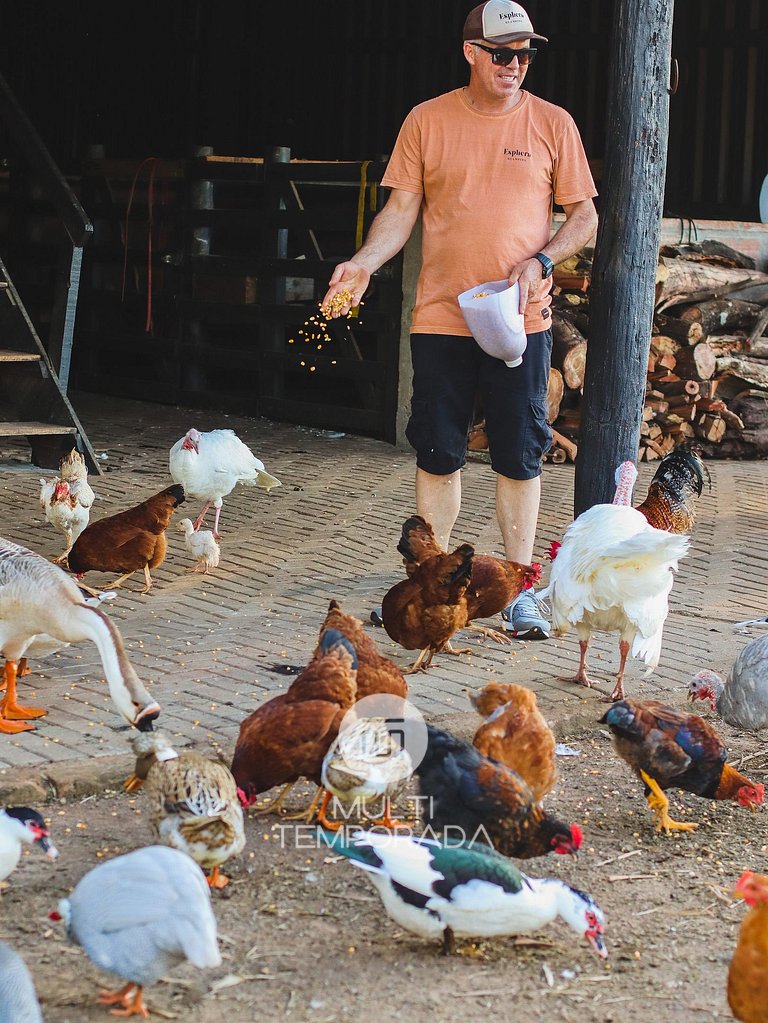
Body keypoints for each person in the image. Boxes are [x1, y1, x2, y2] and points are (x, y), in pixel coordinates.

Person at [321, 0, 598, 639]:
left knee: (519, 451)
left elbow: (584, 217)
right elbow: (400, 209)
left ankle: (523, 588)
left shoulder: (553, 124)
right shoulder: (426, 121)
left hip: (518, 318)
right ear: (471, 52)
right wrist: (364, 263)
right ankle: (432, 584)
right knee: (439, 448)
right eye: (503, 53)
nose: (516, 65)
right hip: (442, 315)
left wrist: (543, 259)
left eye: (526, 53)